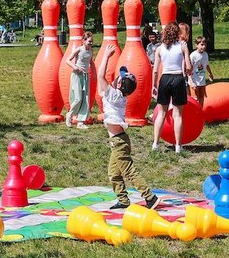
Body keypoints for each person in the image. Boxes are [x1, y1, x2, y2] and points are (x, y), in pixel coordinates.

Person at [97, 48, 160, 211]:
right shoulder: (117, 96)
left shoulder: (115, 95)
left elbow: (100, 76)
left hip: (119, 142)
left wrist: (106, 56)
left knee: (129, 171)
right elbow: (100, 89)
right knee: (114, 173)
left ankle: (150, 197)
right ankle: (123, 200)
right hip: (118, 141)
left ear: (119, 84)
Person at [152, 22, 191, 152]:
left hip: (164, 79)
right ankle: (178, 146)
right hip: (178, 78)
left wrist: (154, 85)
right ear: (177, 34)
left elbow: (156, 71)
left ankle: (155, 144)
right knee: (178, 115)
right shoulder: (182, 46)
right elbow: (188, 67)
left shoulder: (159, 49)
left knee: (161, 114)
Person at [64, 30, 95, 129]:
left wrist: (94, 73)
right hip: (77, 75)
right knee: (78, 98)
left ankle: (81, 121)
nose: (91, 43)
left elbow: (91, 62)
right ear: (84, 41)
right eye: (89, 41)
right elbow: (67, 60)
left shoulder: (90, 50)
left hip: (85, 76)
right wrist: (75, 67)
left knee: (85, 99)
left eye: (91, 41)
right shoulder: (79, 50)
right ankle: (70, 114)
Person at [189, 36, 215, 109]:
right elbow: (188, 69)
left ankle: (200, 114)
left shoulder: (205, 55)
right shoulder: (193, 55)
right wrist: (191, 81)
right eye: (202, 45)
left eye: (205, 45)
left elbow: (206, 65)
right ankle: (194, 114)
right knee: (195, 99)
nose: (203, 47)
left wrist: (210, 73)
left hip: (202, 81)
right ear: (196, 45)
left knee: (201, 98)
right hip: (194, 81)